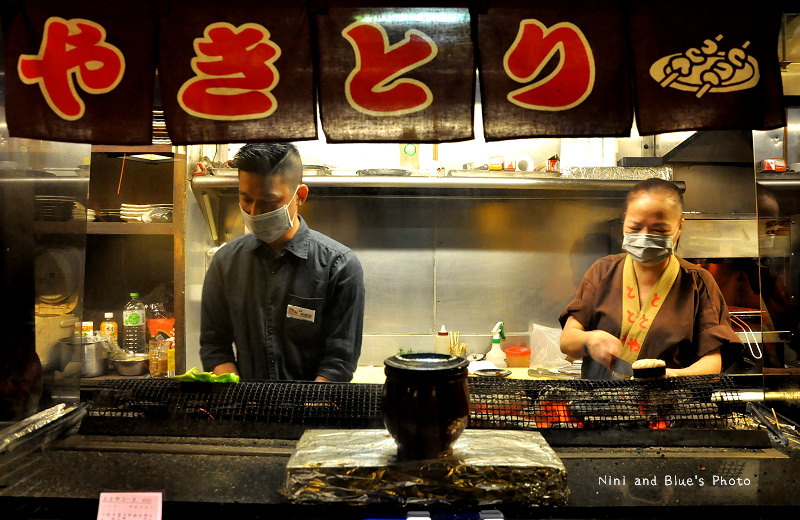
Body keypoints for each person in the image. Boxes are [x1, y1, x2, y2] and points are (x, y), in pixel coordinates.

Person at [200, 143, 365, 382]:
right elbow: (214, 344)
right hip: (245, 408)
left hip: (313, 408)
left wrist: (306, 409)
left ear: (300, 196)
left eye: (269, 202)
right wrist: (233, 393)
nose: (254, 213)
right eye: (246, 199)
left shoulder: (339, 266)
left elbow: (339, 360)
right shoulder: (225, 262)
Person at [559, 178, 741, 379]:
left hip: (671, 405)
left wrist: (671, 377)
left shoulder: (698, 282)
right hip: (601, 405)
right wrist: (590, 340)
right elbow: (567, 341)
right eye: (635, 227)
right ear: (625, 219)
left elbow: (713, 362)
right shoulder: (602, 272)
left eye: (659, 230)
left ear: (679, 226)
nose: (645, 237)